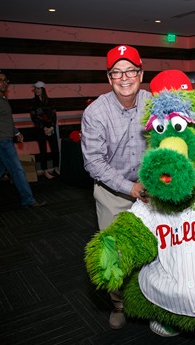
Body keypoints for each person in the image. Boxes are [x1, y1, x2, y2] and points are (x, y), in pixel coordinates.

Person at [81, 45, 151, 330]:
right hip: (113, 193)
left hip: (151, 190)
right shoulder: (95, 112)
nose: (124, 77)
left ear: (141, 73)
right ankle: (120, 303)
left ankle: (153, 301)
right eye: (116, 72)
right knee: (116, 254)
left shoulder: (154, 103)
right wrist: (130, 188)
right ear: (109, 77)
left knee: (156, 250)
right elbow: (94, 163)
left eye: (130, 70)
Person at [0, 70, 47, 209]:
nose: (4, 82)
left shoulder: (2, 100)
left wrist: (16, 132)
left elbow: (6, 121)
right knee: (18, 171)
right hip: (2, 143)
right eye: (0, 80)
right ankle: (28, 200)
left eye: (6, 80)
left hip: (5, 140)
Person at [30, 81, 60, 179]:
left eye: (38, 89)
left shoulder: (51, 101)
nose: (36, 90)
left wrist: (51, 127)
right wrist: (44, 128)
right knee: (43, 150)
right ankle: (45, 170)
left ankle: (56, 167)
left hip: (51, 128)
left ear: (43, 90)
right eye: (35, 89)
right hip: (40, 129)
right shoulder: (33, 102)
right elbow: (34, 117)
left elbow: (54, 115)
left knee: (55, 148)